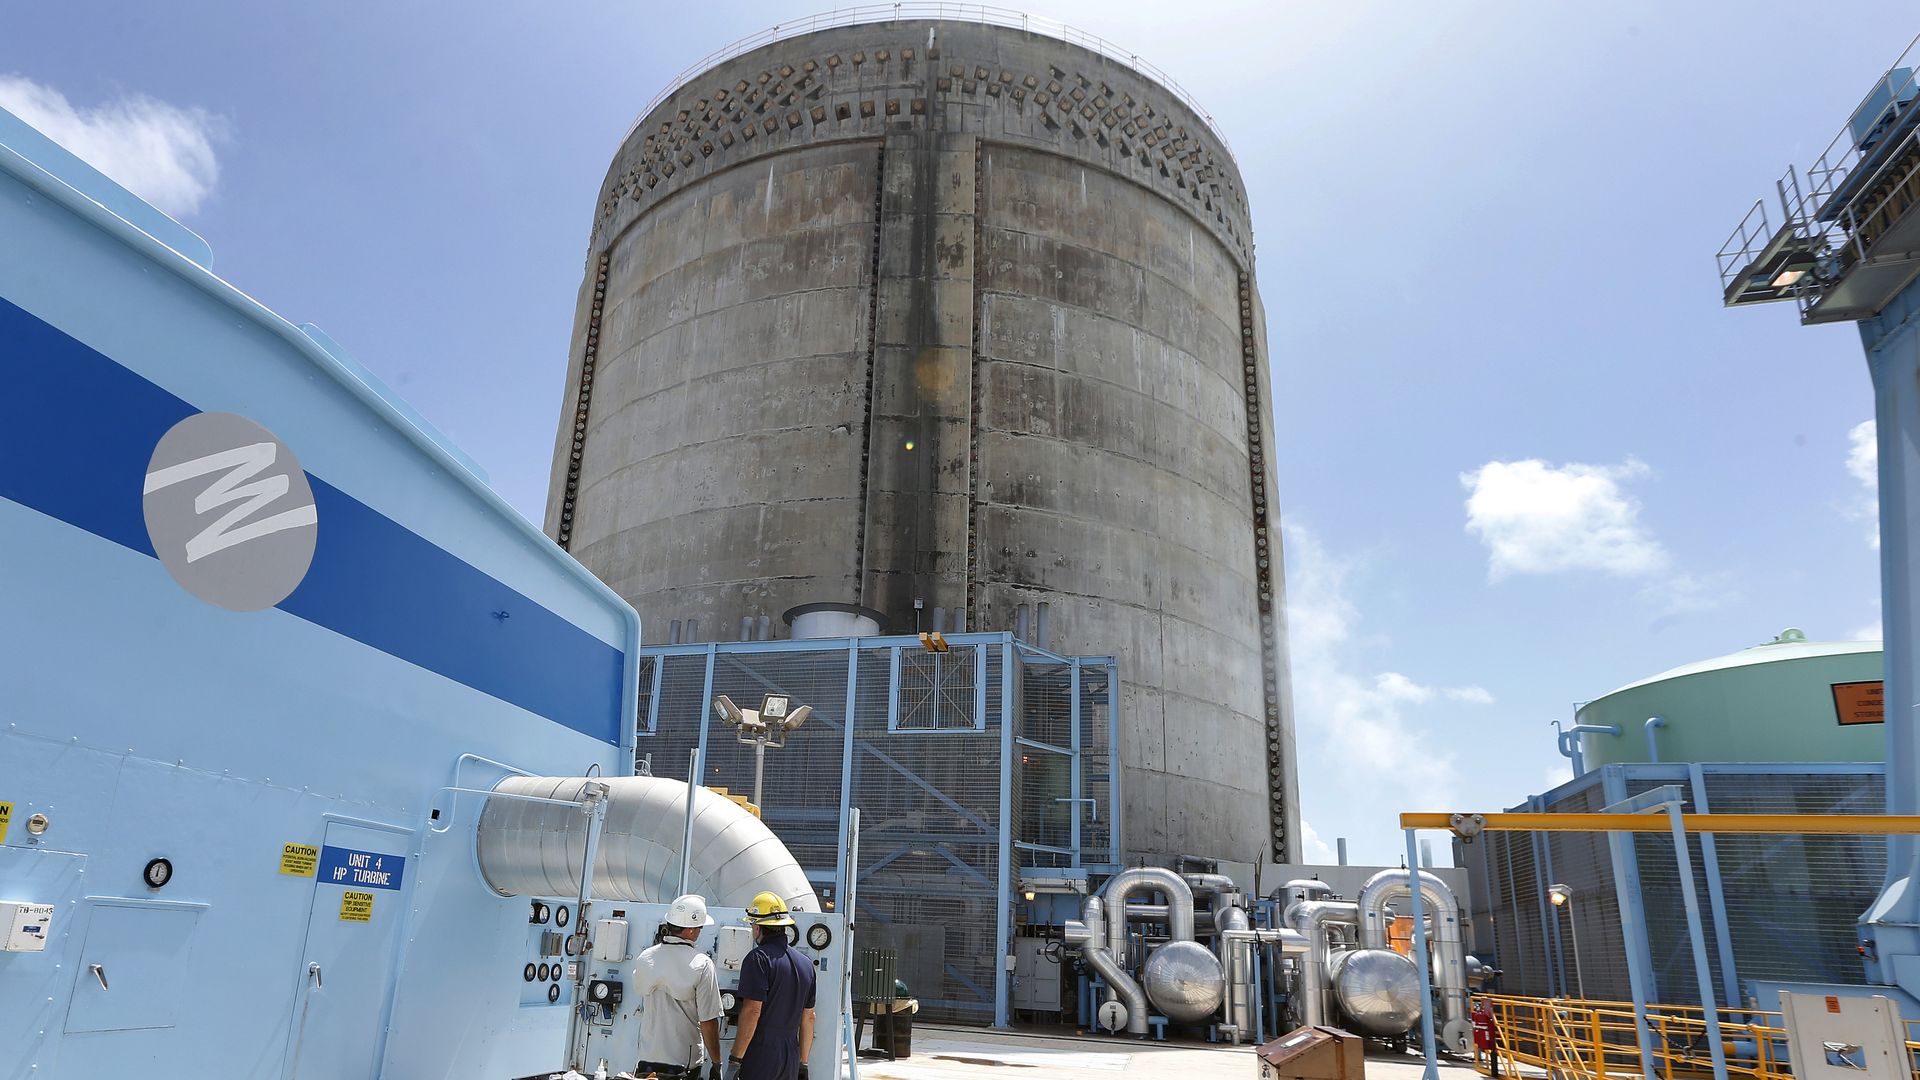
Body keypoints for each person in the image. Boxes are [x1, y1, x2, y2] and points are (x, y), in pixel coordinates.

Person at [722, 892, 816, 1080]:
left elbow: (752, 1011)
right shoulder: (806, 964)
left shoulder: (758, 959)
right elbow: (809, 1018)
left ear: (757, 927)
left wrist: (735, 1060)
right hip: (791, 1055)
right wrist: (803, 1063)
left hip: (761, 1054)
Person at [631, 893, 723, 1080]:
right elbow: (708, 1021)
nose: (700, 931)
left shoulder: (645, 958)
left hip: (646, 1061)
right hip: (683, 1064)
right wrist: (717, 1063)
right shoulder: (702, 964)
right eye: (699, 927)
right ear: (690, 931)